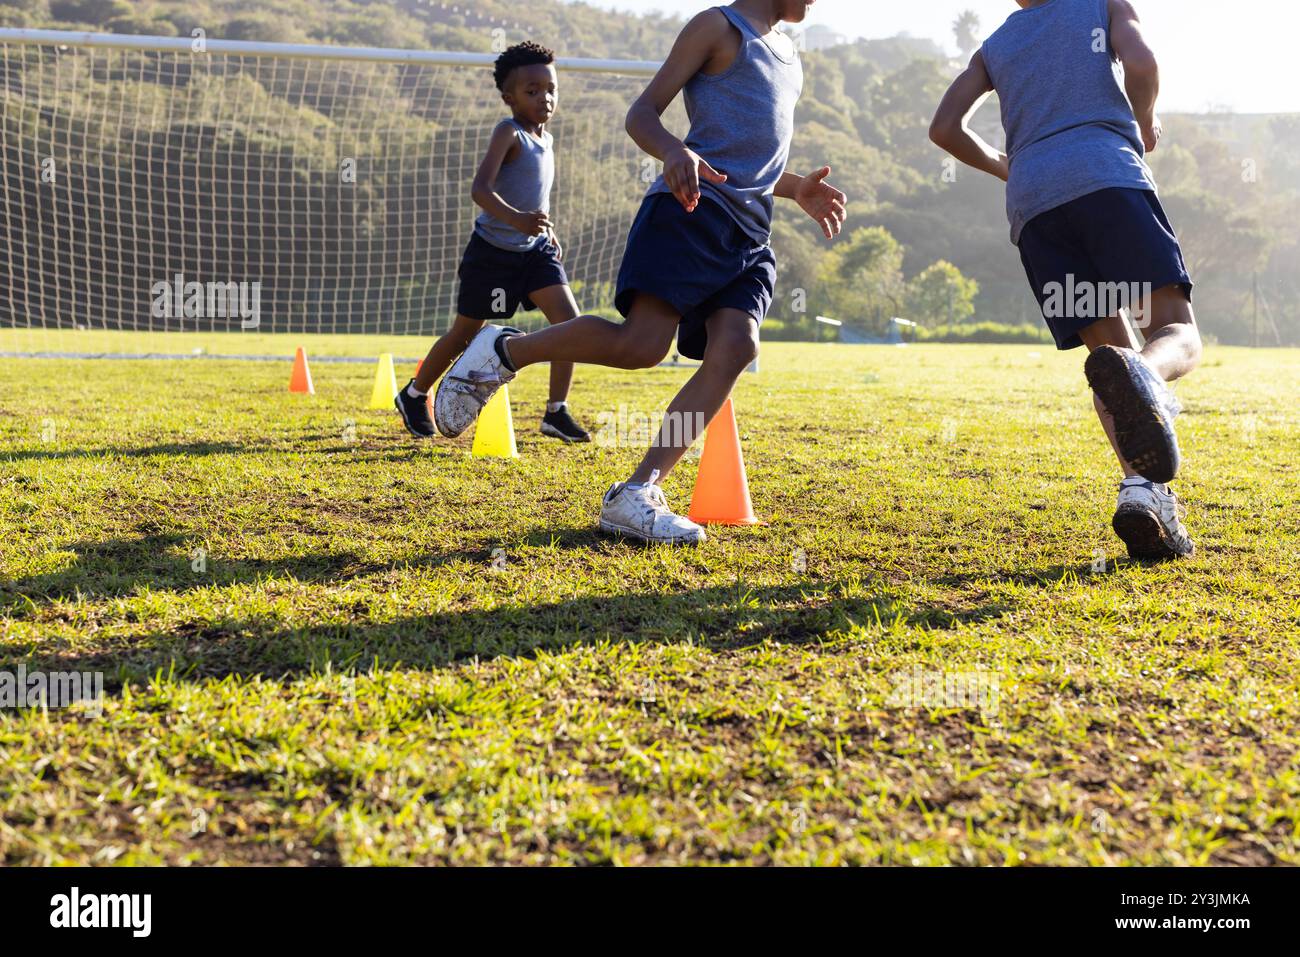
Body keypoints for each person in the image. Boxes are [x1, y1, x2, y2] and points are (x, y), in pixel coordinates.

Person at [433, 1, 846, 545]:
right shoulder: (718, 28)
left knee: (737, 348)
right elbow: (642, 113)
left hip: (750, 235)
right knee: (642, 346)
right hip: (690, 212)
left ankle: (637, 492)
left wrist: (794, 188)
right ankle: (505, 350)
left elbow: (749, 161)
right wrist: (675, 150)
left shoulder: (790, 55)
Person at [929, 0, 1202, 560]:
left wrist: (1013, 164)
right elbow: (1143, 63)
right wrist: (1145, 118)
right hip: (1106, 177)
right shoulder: (1101, 4)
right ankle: (1149, 377)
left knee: (1110, 359)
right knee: (1175, 333)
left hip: (1036, 205)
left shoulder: (998, 43)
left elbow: (944, 128)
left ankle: (1143, 495)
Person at [395, 41, 591, 444]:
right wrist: (518, 219)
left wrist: (544, 228)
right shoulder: (509, 132)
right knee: (465, 333)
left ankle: (556, 412)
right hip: (492, 254)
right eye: (532, 91)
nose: (545, 98)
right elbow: (480, 190)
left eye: (550, 88)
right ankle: (415, 394)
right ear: (509, 97)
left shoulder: (547, 140)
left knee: (571, 325)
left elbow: (534, 194)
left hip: (534, 253)